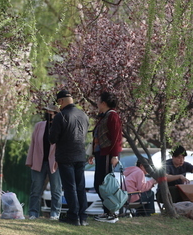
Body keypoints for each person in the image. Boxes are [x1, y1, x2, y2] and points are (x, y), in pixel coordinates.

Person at [48, 90, 89, 226]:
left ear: (61, 101)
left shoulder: (61, 116)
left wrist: (52, 124)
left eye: (58, 102)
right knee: (80, 186)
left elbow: (52, 138)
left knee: (70, 187)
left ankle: (73, 216)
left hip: (66, 156)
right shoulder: (83, 115)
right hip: (80, 155)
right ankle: (83, 217)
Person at [91, 92, 123, 223]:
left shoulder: (112, 116)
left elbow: (117, 138)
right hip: (100, 154)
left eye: (99, 101)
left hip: (107, 155)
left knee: (104, 184)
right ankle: (107, 212)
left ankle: (111, 213)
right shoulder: (104, 117)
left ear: (104, 103)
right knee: (99, 184)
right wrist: (92, 153)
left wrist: (115, 155)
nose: (97, 104)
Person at [26, 104, 62, 220]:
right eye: (46, 111)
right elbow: (33, 144)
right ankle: (33, 213)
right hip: (39, 162)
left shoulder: (60, 126)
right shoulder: (39, 126)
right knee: (35, 189)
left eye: (50, 112)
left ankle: (55, 214)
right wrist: (30, 160)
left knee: (56, 190)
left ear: (56, 114)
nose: (47, 113)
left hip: (55, 163)